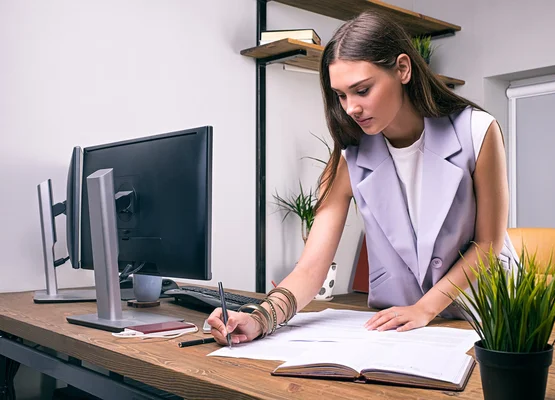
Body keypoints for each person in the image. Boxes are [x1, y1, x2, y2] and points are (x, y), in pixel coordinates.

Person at [207, 10, 517, 344]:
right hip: (402, 330)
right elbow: (311, 269)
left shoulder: (478, 130)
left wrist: (425, 308)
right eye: (341, 95)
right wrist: (260, 319)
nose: (350, 108)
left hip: (488, 317)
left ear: (402, 68)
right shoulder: (349, 155)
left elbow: (487, 245)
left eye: (362, 90)